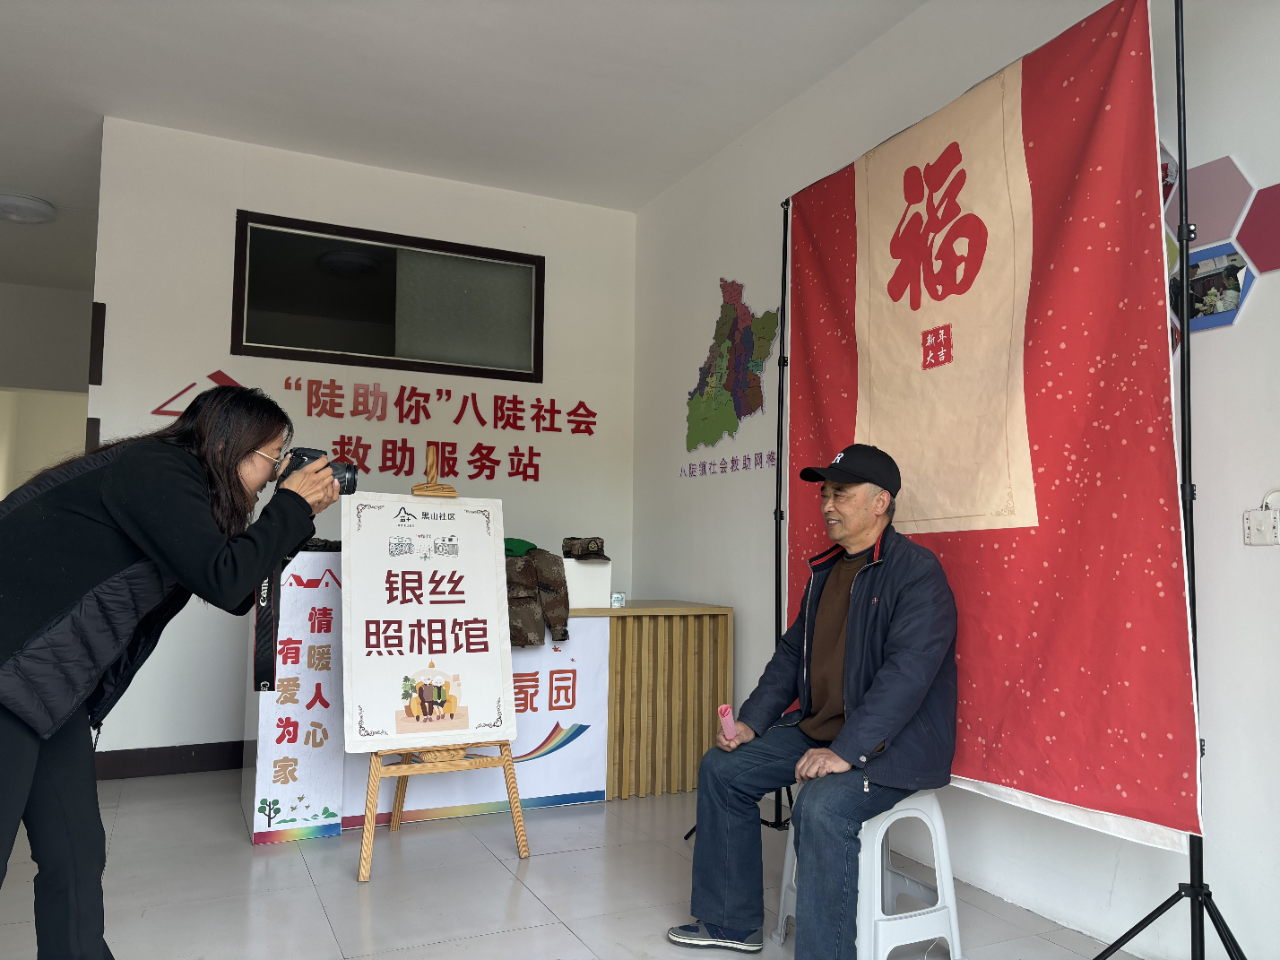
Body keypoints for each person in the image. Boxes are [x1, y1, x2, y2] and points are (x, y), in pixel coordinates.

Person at [0, 385, 340, 960]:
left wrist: (293, 514)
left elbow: (235, 585)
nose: (275, 473)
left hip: (51, 687)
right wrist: (292, 505)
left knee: (76, 850)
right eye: (273, 456)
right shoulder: (156, 469)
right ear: (231, 446)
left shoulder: (175, 485)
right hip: (12, 674)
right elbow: (226, 579)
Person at [668, 444, 958, 958]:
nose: (827, 505)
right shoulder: (826, 572)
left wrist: (845, 751)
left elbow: (907, 676)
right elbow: (791, 655)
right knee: (722, 768)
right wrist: (753, 721)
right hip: (820, 731)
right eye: (825, 494)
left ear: (880, 503)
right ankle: (730, 923)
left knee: (821, 808)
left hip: (892, 745)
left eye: (840, 494)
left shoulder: (917, 574)